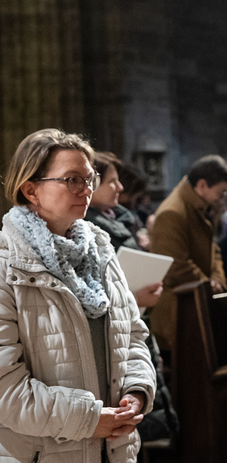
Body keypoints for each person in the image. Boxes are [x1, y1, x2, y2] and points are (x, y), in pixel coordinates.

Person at [0, 129, 156, 462]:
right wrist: (89, 419)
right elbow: (5, 391)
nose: (86, 190)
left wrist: (137, 391)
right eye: (72, 180)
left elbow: (133, 336)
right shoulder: (6, 264)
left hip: (114, 448)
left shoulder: (102, 251)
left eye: (89, 179)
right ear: (30, 189)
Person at [85, 151, 180, 444]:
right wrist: (134, 300)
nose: (120, 187)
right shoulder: (91, 231)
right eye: (111, 181)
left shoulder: (120, 221)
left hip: (136, 324)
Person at [149, 155, 227, 353]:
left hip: (197, 304)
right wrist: (209, 285)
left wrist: (217, 279)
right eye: (221, 192)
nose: (223, 198)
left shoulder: (202, 205)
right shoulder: (172, 213)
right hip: (179, 313)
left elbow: (213, 249)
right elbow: (175, 266)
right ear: (202, 185)